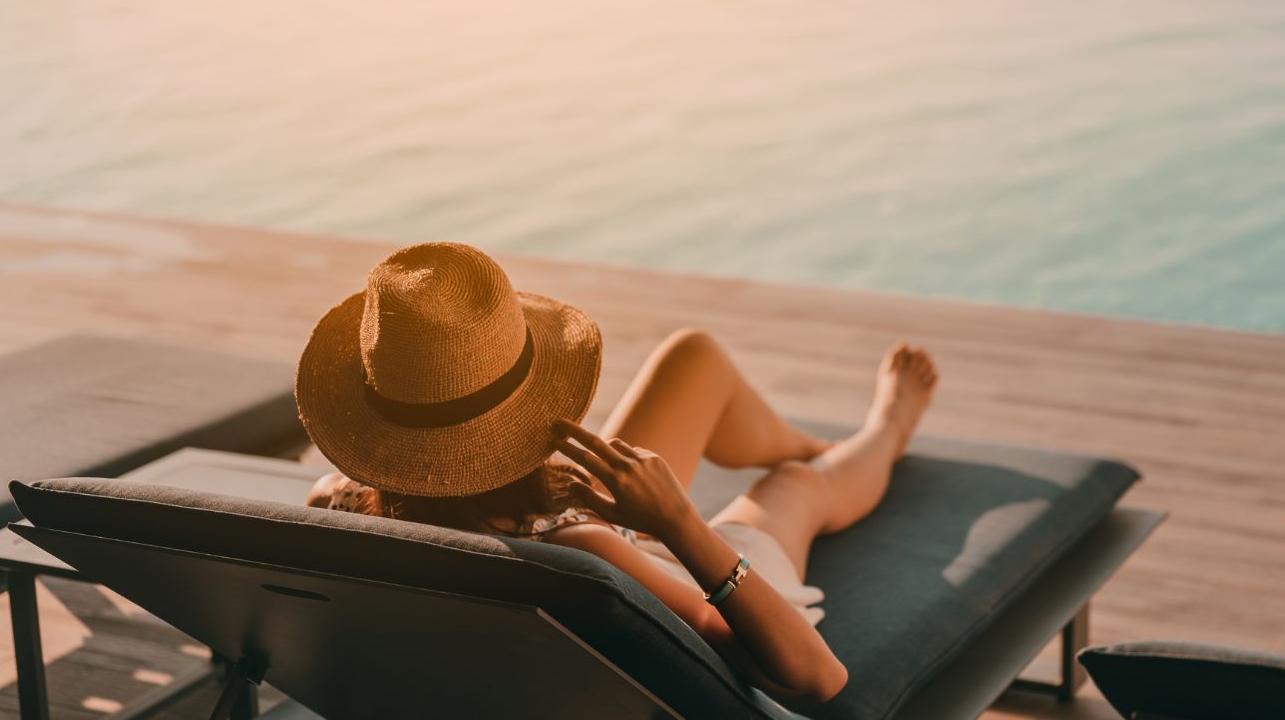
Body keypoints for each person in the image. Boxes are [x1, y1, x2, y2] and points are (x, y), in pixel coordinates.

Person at [299, 242, 937, 705]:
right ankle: (882, 434)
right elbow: (818, 679)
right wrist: (679, 522)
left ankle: (812, 445)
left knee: (693, 359)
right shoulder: (583, 551)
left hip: (580, 524)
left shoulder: (339, 505)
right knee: (797, 490)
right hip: (667, 566)